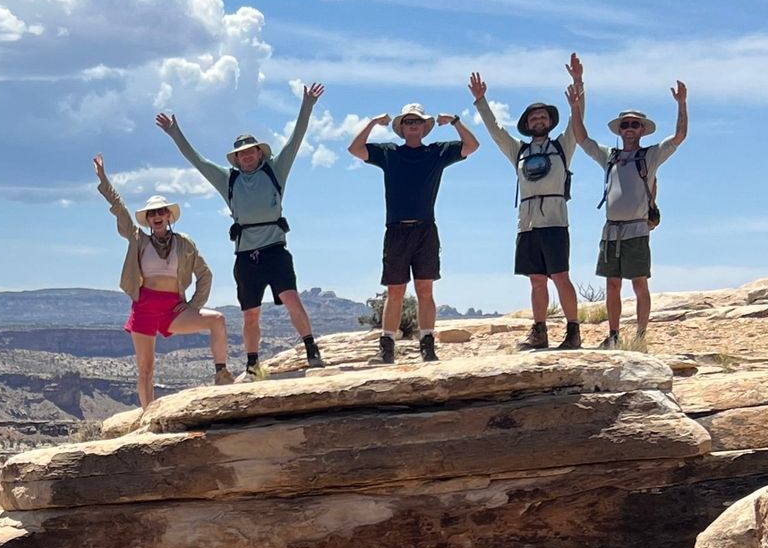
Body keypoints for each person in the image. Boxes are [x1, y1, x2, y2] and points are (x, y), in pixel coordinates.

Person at [154, 83, 326, 376]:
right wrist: (175, 133)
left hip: (275, 250)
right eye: (241, 154)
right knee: (250, 314)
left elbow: (295, 139)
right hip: (246, 255)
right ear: (236, 158)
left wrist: (307, 105)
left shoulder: (276, 170)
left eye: (251, 151)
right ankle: (252, 363)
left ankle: (311, 349)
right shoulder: (228, 181)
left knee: (291, 298)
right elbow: (198, 161)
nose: (246, 156)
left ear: (260, 153)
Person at [92, 159, 234, 408]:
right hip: (145, 307)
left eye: (161, 212)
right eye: (152, 213)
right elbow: (119, 207)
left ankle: (222, 373)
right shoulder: (138, 239)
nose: (157, 216)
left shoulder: (184, 244)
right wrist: (103, 179)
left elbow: (205, 274)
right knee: (146, 369)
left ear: (169, 216)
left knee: (218, 320)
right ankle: (148, 415)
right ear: (147, 220)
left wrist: (193, 305)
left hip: (173, 308)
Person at [569, 56, 688, 347]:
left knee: (638, 284)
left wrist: (682, 104)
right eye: (626, 125)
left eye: (635, 125)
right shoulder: (610, 156)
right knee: (611, 284)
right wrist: (575, 104)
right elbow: (582, 138)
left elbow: (680, 136)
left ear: (642, 130)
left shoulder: (650, 156)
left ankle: (640, 336)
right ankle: (613, 335)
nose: (630, 129)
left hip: (636, 229)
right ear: (620, 130)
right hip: (611, 230)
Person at [346, 101, 478, 364]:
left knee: (425, 289)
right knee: (395, 291)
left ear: (425, 126)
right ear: (402, 128)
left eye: (417, 121)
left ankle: (427, 345)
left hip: (425, 229)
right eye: (408, 121)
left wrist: (455, 121)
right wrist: (372, 122)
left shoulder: (436, 152)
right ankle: (387, 347)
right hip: (396, 230)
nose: (413, 125)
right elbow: (355, 149)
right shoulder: (389, 153)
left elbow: (472, 146)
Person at [468, 72, 580, 350]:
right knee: (536, 280)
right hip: (527, 224)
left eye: (542, 117)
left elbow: (576, 124)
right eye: (533, 118)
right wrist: (481, 101)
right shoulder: (518, 152)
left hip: (555, 222)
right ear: (528, 125)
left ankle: (573, 332)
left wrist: (578, 88)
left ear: (550, 122)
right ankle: (539, 332)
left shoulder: (562, 146)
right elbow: (496, 133)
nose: (538, 120)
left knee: (561, 277)